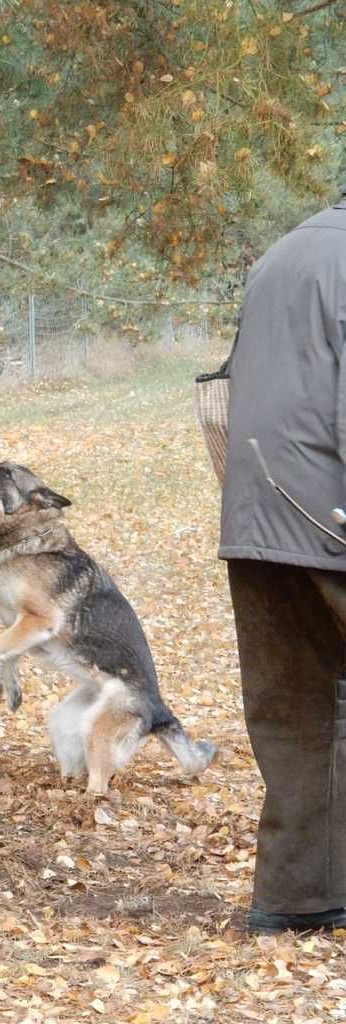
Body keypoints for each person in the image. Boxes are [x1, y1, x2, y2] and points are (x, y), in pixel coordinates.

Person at [219, 186, 346, 933]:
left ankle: (297, 897)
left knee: (294, 709)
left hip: (260, 517)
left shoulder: (282, 252)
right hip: (329, 511)